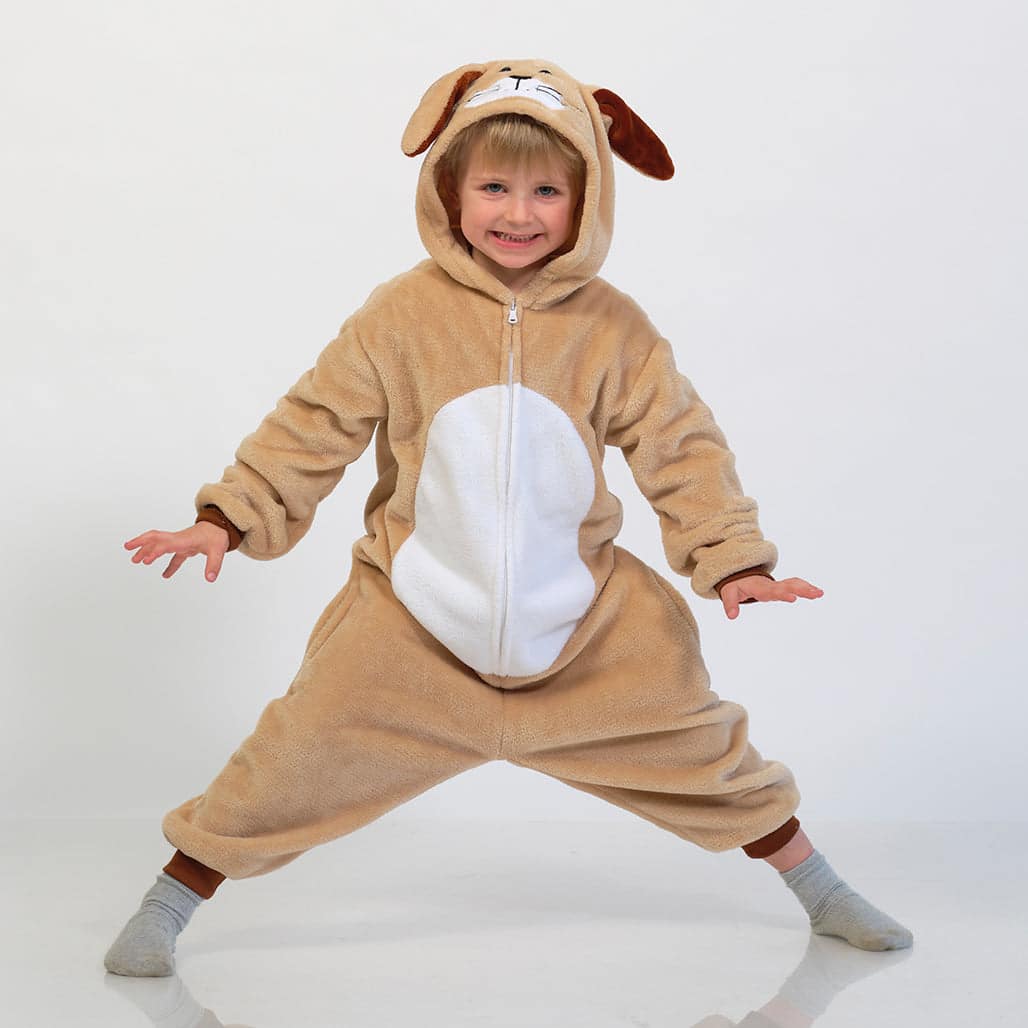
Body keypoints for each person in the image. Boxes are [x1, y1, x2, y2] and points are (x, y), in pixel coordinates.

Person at [104, 59, 912, 978]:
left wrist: (733, 560)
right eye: (493, 187)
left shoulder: (614, 329)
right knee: (288, 760)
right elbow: (313, 423)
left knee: (711, 754)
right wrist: (227, 518)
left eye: (547, 191)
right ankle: (167, 906)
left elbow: (680, 445)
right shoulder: (401, 315)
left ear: (588, 199)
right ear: (449, 189)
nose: (518, 213)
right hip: (411, 628)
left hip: (588, 632)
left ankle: (824, 894)